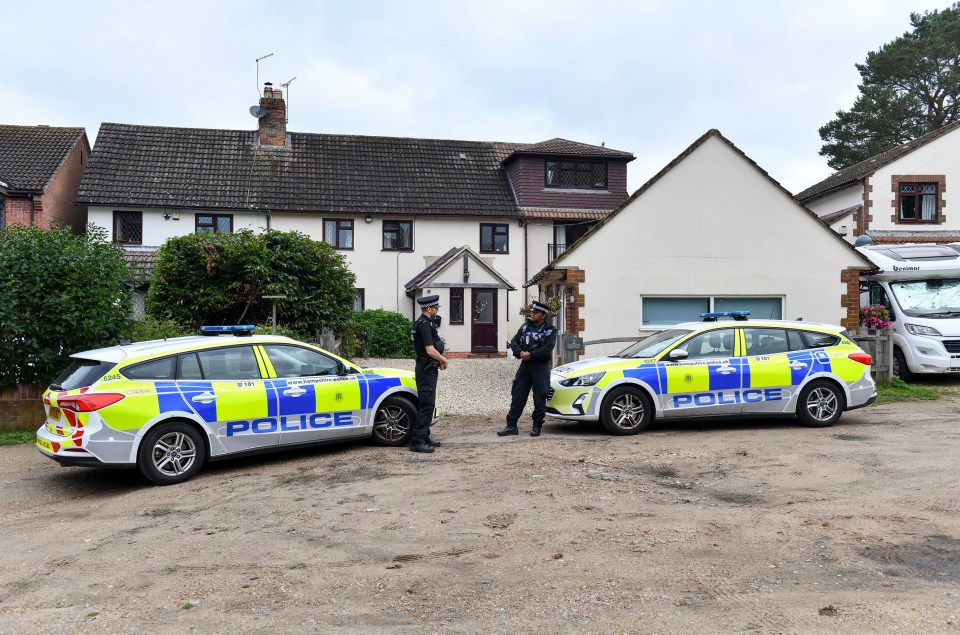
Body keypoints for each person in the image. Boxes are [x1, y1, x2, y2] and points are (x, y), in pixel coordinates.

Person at [498, 300, 557, 437]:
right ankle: (511, 425)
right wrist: (519, 353)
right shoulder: (525, 327)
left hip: (540, 367)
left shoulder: (550, 330)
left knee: (540, 396)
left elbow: (548, 349)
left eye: (535, 312)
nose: (532, 314)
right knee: (518, 394)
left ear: (543, 315)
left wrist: (531, 355)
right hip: (525, 366)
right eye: (532, 311)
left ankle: (537, 426)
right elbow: (514, 342)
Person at [410, 295, 448, 453]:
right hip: (426, 369)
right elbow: (430, 350)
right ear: (429, 308)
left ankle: (424, 436)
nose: (437, 310)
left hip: (428, 367)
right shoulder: (424, 325)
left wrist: (437, 361)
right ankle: (417, 440)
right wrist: (443, 359)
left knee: (429, 403)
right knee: (426, 405)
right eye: (436, 308)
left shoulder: (424, 323)